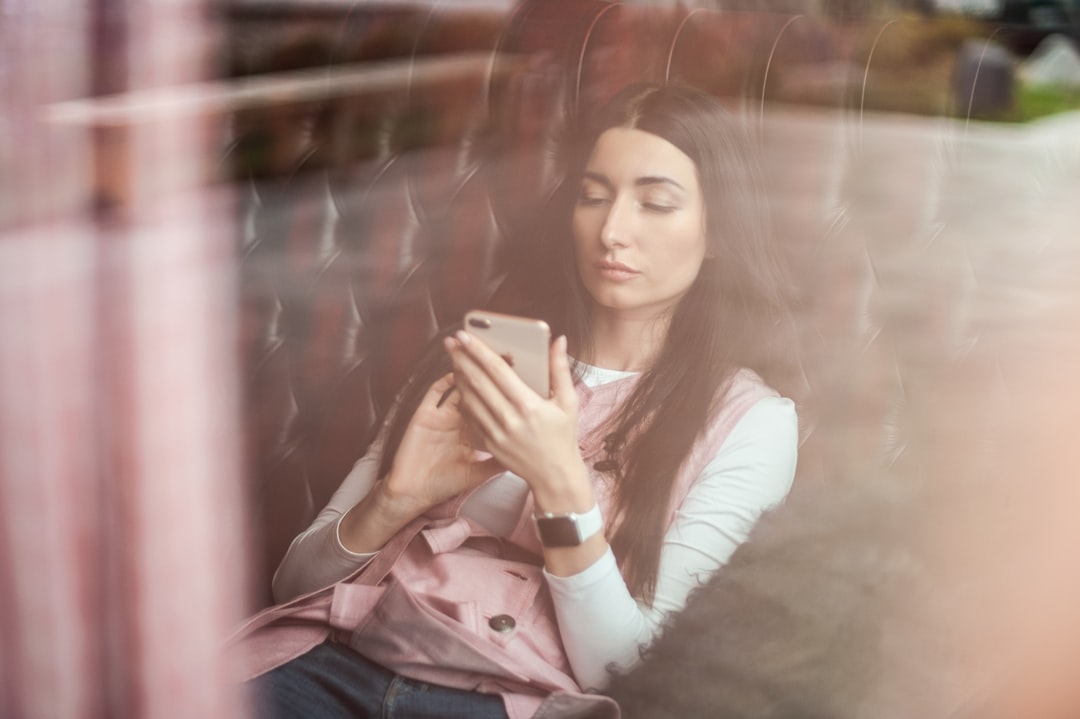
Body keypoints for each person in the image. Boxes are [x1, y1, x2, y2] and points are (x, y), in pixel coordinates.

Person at [231, 82, 799, 719]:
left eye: (656, 203)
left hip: (509, 701)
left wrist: (561, 488)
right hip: (336, 663)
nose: (613, 230)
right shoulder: (484, 354)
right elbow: (294, 586)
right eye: (593, 197)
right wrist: (396, 498)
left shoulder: (752, 424)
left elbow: (634, 673)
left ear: (718, 230)